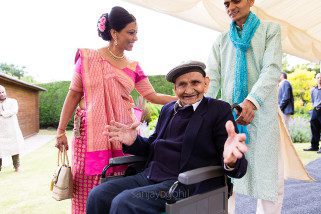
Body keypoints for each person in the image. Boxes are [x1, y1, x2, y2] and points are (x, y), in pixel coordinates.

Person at [54, 6, 176, 214]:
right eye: (131, 32)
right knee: (88, 183)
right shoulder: (89, 59)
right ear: (114, 33)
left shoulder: (134, 66)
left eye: (136, 32)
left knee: (119, 178)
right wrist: (60, 131)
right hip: (91, 134)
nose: (135, 37)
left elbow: (152, 96)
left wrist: (184, 98)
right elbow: (74, 94)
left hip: (122, 131)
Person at [86, 61, 248, 214]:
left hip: (184, 184)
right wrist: (133, 141)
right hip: (150, 176)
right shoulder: (168, 109)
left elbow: (231, 155)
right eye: (182, 84)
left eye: (195, 83)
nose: (189, 89)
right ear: (174, 89)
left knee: (124, 202)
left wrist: (231, 161)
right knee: (98, 194)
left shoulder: (218, 110)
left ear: (206, 83)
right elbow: (152, 147)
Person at [206, 0, 284, 213]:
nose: (230, 6)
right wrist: (200, 109)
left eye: (236, 0)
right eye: (226, 3)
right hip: (229, 119)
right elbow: (212, 79)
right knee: (225, 180)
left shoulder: (270, 30)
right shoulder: (221, 40)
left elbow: (272, 68)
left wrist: (252, 101)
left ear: (251, 1)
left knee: (270, 182)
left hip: (262, 116)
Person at [0, 85, 23, 172]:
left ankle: (16, 166)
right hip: (1, 131)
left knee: (14, 147)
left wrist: (2, 113)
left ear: (5, 92)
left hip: (12, 129)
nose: (1, 94)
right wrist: (5, 113)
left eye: (3, 92)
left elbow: (14, 111)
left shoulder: (12, 101)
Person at [304, 73, 321, 153]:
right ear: (316, 79)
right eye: (318, 77)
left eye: (320, 77)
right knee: (314, 128)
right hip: (315, 110)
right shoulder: (313, 90)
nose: (319, 79)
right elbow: (313, 101)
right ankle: (314, 146)